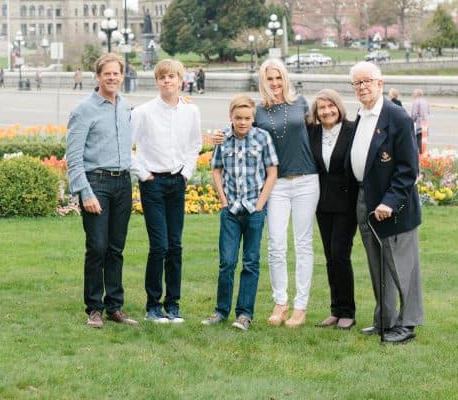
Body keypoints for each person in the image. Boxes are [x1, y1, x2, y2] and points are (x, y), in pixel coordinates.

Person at [216, 58, 319, 327]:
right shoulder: (259, 112)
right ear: (263, 82)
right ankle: (280, 301)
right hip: (276, 184)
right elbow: (240, 127)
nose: (274, 83)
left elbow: (319, 131)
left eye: (278, 77)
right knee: (275, 244)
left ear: (285, 78)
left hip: (307, 179)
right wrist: (218, 136)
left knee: (303, 243)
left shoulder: (302, 104)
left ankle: (301, 305)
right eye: (269, 79)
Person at [347, 61, 424, 344]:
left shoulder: (397, 117)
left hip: (393, 204)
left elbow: (408, 169)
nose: (363, 87)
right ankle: (385, 319)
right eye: (357, 83)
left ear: (380, 83)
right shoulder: (361, 114)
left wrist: (389, 202)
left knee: (401, 266)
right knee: (377, 264)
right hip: (366, 199)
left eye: (368, 81)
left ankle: (408, 322)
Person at [67, 53, 137, 329]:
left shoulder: (125, 107)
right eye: (106, 74)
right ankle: (94, 308)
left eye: (116, 74)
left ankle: (114, 307)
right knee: (97, 247)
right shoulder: (84, 110)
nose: (112, 78)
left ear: (122, 76)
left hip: (122, 183)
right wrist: (85, 192)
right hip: (97, 183)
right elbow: (73, 157)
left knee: (116, 249)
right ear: (97, 77)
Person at [131, 59, 202, 324]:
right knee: (159, 246)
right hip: (153, 184)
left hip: (176, 182)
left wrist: (186, 173)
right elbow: (128, 147)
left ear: (181, 80)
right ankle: (153, 305)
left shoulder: (190, 112)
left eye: (172, 77)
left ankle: (173, 305)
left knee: (176, 246)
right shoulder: (143, 112)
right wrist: (144, 174)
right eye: (163, 77)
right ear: (157, 81)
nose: (167, 81)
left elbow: (195, 144)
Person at [201, 94, 278, 331]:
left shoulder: (262, 138)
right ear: (231, 117)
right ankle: (221, 311)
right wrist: (223, 201)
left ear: (253, 117)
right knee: (227, 262)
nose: (243, 122)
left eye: (247, 118)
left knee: (251, 263)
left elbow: (272, 171)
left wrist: (260, 205)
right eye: (238, 118)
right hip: (231, 211)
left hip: (254, 209)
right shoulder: (223, 139)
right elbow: (216, 170)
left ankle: (244, 314)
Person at [307, 89, 359, 331]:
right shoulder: (313, 132)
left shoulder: (352, 130)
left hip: (347, 204)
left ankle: (348, 311)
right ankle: (335, 310)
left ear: (339, 107)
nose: (327, 111)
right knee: (330, 257)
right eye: (321, 108)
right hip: (322, 203)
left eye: (331, 106)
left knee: (340, 254)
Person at [410, 89, 429, 153]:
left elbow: (414, 114)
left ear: (417, 94)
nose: (413, 95)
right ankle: (423, 155)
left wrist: (411, 122)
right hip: (425, 123)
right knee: (424, 142)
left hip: (418, 124)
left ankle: (420, 156)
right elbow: (428, 112)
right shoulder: (425, 101)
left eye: (414, 94)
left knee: (418, 141)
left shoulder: (416, 102)